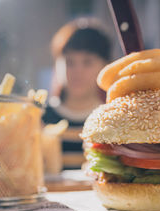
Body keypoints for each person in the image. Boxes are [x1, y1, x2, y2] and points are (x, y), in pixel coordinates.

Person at [43, 18, 112, 170]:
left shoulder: (112, 120)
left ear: (105, 66)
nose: (77, 72)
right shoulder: (40, 118)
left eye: (87, 62)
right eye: (70, 62)